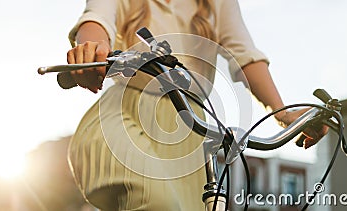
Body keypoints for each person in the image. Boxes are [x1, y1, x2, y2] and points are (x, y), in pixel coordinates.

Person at [65, 0, 327, 210]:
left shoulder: (218, 3)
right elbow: (97, 18)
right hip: (126, 112)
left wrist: (284, 113)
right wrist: (92, 50)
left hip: (189, 128)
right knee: (157, 201)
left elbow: (246, 55)